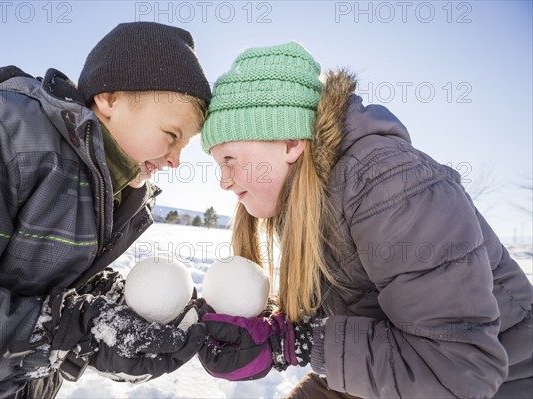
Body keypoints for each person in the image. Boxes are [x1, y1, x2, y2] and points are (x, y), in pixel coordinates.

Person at [197, 42, 532, 398]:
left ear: (291, 143)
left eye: (230, 158)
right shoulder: (305, 204)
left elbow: (458, 372)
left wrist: (294, 344)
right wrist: (270, 331)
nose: (224, 180)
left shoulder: (392, 184)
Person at [0, 22, 211, 398]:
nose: (177, 160)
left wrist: (118, 305)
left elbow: (44, 278)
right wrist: (73, 334)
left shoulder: (108, 189)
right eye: (172, 135)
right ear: (110, 99)